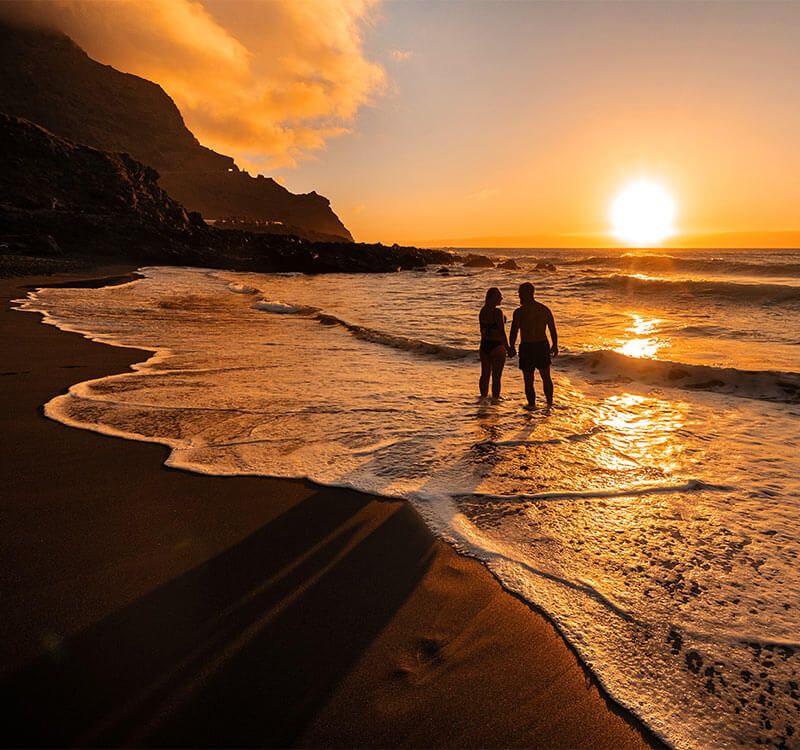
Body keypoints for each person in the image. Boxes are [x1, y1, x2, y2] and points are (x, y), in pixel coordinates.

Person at [508, 282, 558, 407]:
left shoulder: (519, 312)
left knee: (529, 380)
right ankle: (549, 404)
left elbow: (514, 331)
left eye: (520, 294)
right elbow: (552, 329)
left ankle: (532, 406)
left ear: (526, 294)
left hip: (528, 346)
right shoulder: (544, 309)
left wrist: (511, 346)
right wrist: (555, 344)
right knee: (545, 377)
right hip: (542, 345)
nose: (519, 296)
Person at [478, 287, 510, 400]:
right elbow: (502, 331)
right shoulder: (498, 312)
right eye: (499, 296)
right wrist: (508, 347)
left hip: (484, 345)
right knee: (496, 377)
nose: (501, 298)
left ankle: (483, 398)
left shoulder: (482, 311)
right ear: (493, 298)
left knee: (485, 374)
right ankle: (495, 401)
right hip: (497, 345)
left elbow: (483, 329)